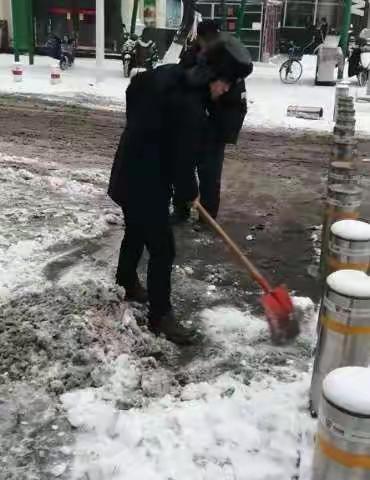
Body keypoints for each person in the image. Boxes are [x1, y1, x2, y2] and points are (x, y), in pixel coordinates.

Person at [108, 39, 252, 345]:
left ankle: (126, 279)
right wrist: (190, 193)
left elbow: (133, 88)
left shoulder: (169, 73)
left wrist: (140, 129)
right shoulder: (191, 107)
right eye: (226, 83)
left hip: (126, 170)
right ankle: (161, 316)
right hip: (146, 182)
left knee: (135, 229)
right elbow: (183, 163)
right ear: (212, 75)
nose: (226, 90)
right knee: (163, 249)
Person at [173, 22, 253, 223]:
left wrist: (223, 88)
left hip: (213, 124)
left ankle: (206, 216)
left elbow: (235, 99)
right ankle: (182, 210)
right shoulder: (194, 54)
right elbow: (182, 78)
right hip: (193, 121)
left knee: (208, 172)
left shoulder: (228, 62)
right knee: (184, 167)